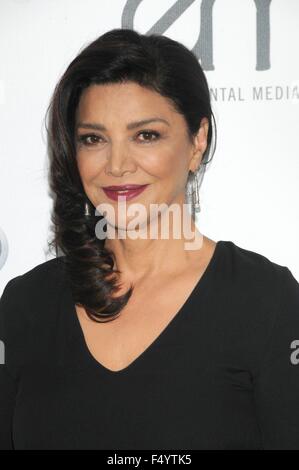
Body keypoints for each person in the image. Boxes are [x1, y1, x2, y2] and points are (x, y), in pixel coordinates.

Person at [0, 28, 299, 450]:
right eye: (94, 139)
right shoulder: (25, 305)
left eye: (146, 135)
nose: (117, 165)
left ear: (198, 141)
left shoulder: (267, 302)